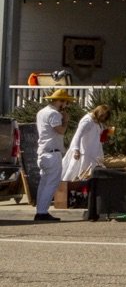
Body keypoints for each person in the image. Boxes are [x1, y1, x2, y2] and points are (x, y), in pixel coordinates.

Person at [33, 89, 74, 222]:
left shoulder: (42, 112)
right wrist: (66, 121)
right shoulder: (53, 114)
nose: (66, 105)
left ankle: (40, 210)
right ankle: (42, 212)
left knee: (44, 183)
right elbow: (60, 131)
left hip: (43, 152)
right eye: (65, 102)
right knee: (51, 183)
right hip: (52, 153)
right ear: (60, 102)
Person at [66, 103, 112, 182]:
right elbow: (78, 135)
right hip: (85, 154)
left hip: (94, 154)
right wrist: (76, 150)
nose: (104, 118)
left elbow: (97, 136)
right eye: (103, 116)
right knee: (79, 176)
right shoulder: (87, 120)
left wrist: (106, 134)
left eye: (105, 117)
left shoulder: (98, 122)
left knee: (90, 178)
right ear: (99, 113)